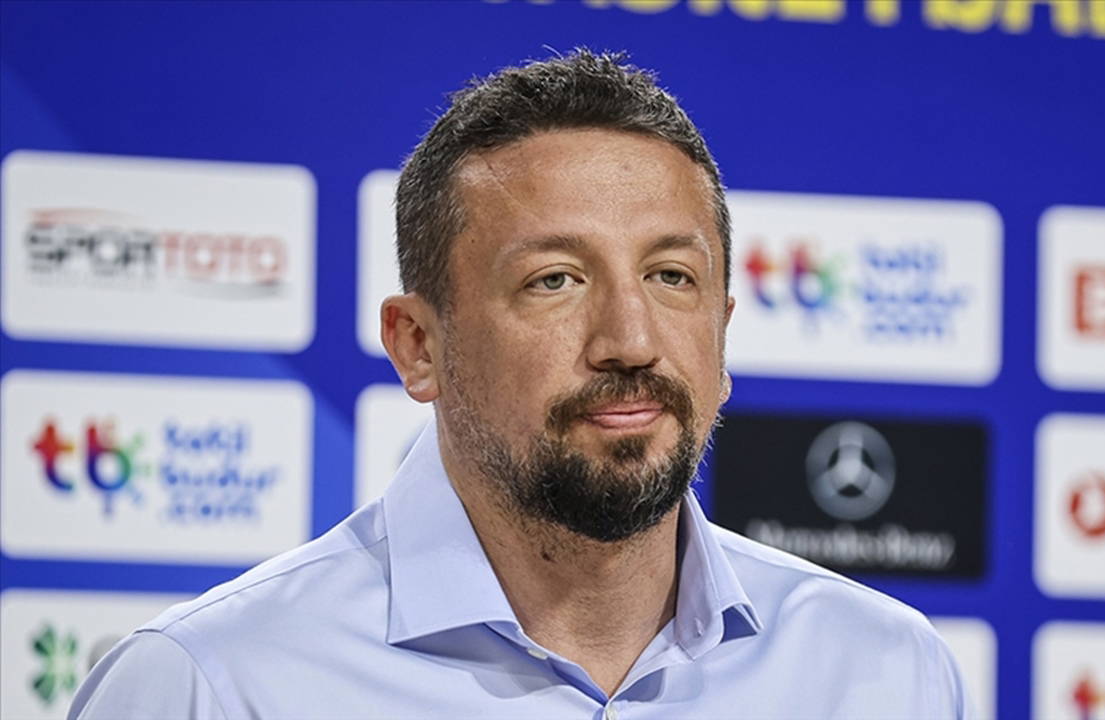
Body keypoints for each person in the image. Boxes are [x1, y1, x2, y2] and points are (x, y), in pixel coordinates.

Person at [70, 49, 967, 719]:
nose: (631, 341)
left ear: (722, 332)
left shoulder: (886, 673)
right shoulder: (211, 685)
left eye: (671, 277)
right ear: (418, 346)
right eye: (555, 281)